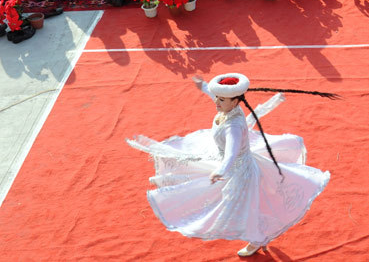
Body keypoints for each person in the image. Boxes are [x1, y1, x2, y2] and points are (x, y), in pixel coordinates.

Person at [127, 72, 331, 257]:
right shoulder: (230, 107)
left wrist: (221, 170)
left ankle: (257, 239)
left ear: (235, 101)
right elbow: (216, 97)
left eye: (221, 99)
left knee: (244, 207)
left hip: (238, 172)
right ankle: (258, 236)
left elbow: (232, 153)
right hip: (228, 162)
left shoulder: (233, 126)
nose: (216, 102)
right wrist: (204, 86)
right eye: (217, 97)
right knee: (247, 203)